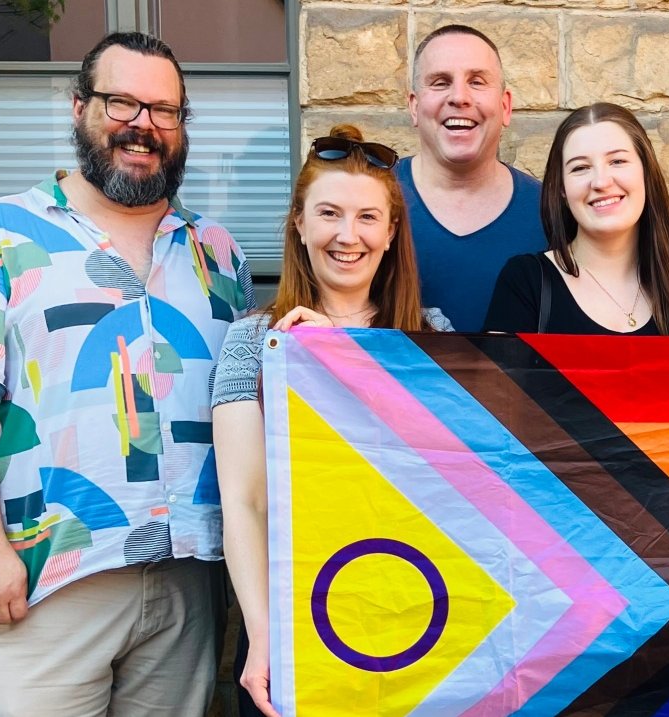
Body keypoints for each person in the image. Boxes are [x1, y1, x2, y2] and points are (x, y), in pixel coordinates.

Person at [0, 32, 252, 715]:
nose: (143, 126)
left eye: (164, 110)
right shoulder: (0, 234)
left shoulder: (218, 253)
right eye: (121, 103)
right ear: (79, 108)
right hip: (51, 577)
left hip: (189, 582)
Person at [212, 125, 450, 717]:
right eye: (329, 213)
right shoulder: (252, 341)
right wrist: (263, 636)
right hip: (293, 625)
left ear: (392, 234)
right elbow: (245, 502)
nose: (349, 236)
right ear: (299, 223)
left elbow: (451, 482)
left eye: (368, 217)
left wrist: (348, 363)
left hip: (418, 615)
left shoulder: (435, 338)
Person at [483, 102, 669, 336]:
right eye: (580, 167)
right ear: (562, 188)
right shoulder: (527, 284)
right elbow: (496, 374)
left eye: (617, 161)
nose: (601, 182)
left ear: (645, 172)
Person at [396, 24, 546, 331]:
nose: (459, 97)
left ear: (505, 106)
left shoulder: (553, 215)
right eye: (440, 82)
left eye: (477, 81)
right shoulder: (366, 206)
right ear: (413, 106)